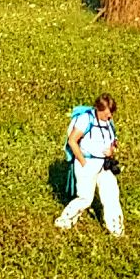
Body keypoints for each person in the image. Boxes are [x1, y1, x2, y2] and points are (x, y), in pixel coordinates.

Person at [55, 93, 123, 237]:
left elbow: (114, 140)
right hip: (87, 163)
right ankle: (64, 221)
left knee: (111, 194)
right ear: (99, 109)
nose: (109, 117)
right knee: (85, 198)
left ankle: (116, 230)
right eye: (107, 113)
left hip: (104, 164)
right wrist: (82, 161)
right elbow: (72, 141)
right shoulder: (85, 120)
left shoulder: (109, 122)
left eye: (111, 113)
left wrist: (112, 150)